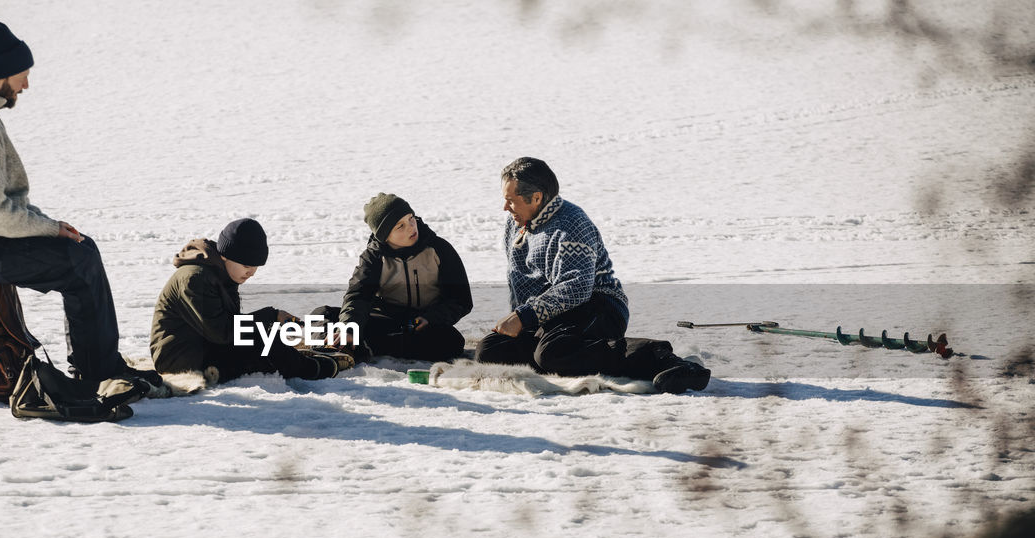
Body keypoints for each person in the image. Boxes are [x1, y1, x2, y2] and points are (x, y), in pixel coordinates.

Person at [0, 21, 155, 395]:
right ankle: (99, 371)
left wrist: (48, 224)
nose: (25, 85)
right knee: (80, 262)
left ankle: (99, 362)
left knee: (80, 249)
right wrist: (50, 228)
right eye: (21, 75)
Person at [475, 157, 711, 394]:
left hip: (598, 306)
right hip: (551, 316)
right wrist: (520, 322)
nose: (505, 208)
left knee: (552, 353)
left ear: (536, 197)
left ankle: (662, 359)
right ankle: (564, 354)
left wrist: (525, 316)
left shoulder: (571, 223)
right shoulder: (516, 223)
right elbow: (519, 282)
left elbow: (577, 287)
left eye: (510, 201)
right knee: (491, 350)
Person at [150, 218, 353, 382]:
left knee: (265, 338)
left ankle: (297, 358)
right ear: (226, 255)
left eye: (256, 267)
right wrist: (269, 316)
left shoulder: (222, 274)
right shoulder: (196, 279)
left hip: (203, 347)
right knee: (264, 343)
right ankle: (315, 368)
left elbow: (230, 327)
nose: (251, 273)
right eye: (247, 265)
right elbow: (223, 332)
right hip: (180, 360)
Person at [314, 193, 473, 363]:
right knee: (320, 315)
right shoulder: (373, 257)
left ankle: (362, 347)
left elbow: (461, 300)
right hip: (383, 321)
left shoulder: (439, 249)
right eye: (400, 226)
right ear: (385, 236)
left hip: (423, 325)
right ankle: (336, 346)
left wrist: (431, 318)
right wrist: (348, 328)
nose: (411, 227)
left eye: (411, 218)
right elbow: (358, 296)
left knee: (452, 342)